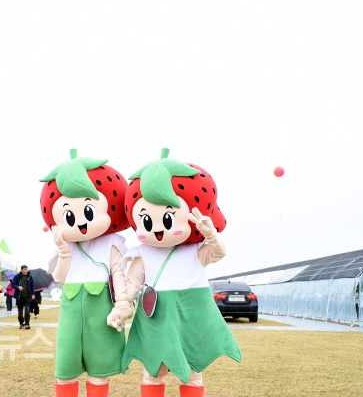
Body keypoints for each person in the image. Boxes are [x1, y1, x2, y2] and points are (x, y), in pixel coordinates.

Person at [121, 149, 242, 397]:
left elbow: (219, 253)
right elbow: (132, 282)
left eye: (167, 219)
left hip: (191, 312)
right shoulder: (142, 252)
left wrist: (210, 234)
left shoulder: (196, 249)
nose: (157, 230)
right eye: (146, 220)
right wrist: (122, 305)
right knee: (153, 370)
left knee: (193, 370)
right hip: (155, 316)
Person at [40, 149, 133, 397]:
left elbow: (118, 273)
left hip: (101, 305)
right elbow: (60, 278)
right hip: (71, 305)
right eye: (69, 214)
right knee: (66, 368)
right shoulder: (66, 244)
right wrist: (64, 251)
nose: (81, 222)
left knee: (99, 368)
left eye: (89, 211)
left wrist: (122, 303)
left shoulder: (112, 242)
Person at [11, 265, 35, 329]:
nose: (26, 271)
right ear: (21, 270)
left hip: (27, 296)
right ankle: (21, 323)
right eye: (25, 269)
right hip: (19, 297)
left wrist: (33, 294)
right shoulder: (17, 276)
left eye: (27, 269)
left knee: (27, 310)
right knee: (20, 312)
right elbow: (13, 284)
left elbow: (32, 286)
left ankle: (27, 324)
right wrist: (18, 287)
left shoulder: (30, 277)